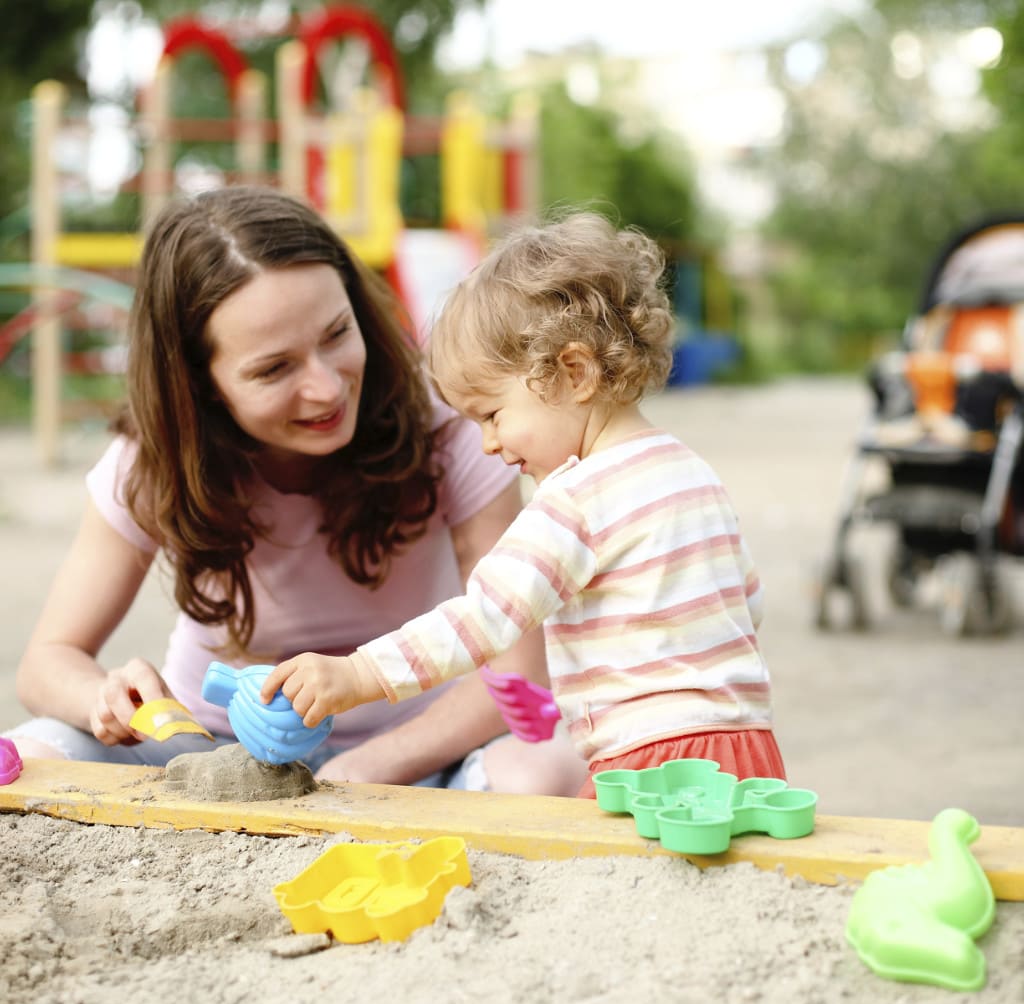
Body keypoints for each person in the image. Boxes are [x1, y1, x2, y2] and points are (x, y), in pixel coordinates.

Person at [8, 185, 586, 796]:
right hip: (206, 750)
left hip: (417, 750)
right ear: (200, 385)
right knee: (35, 750)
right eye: (274, 369)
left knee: (546, 765)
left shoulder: (453, 426)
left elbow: (519, 677)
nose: (328, 389)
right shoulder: (150, 465)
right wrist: (102, 696)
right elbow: (49, 660)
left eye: (337, 334)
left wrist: (363, 769)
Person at [260, 211, 787, 798]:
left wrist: (358, 673)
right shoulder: (692, 472)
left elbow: (482, 620)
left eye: (492, 414)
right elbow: (746, 600)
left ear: (575, 372)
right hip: (747, 748)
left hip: (648, 760)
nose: (487, 443)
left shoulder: (574, 499)